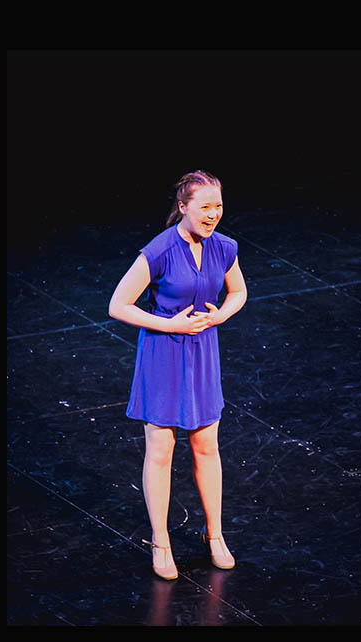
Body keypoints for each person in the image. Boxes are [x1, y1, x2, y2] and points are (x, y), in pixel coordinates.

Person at [108, 170, 248, 580]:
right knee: (162, 450)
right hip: (163, 353)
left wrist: (221, 314)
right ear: (183, 207)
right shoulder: (159, 250)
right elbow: (118, 305)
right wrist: (170, 325)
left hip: (203, 352)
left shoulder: (225, 247)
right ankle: (161, 542)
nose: (213, 214)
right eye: (205, 207)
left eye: (218, 206)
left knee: (207, 445)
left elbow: (238, 291)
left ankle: (215, 535)